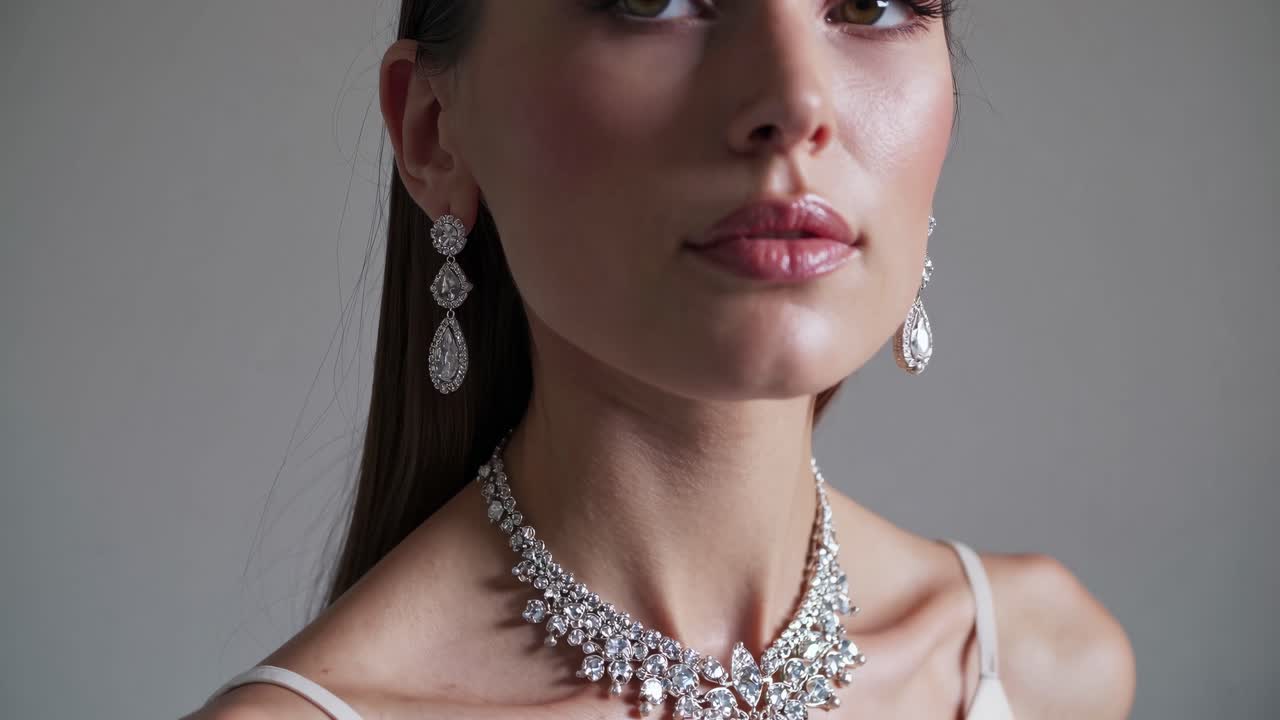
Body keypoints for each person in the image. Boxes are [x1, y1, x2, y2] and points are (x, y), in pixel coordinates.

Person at [189, 1, 1136, 718]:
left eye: (869, 2)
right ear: (434, 131)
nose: (796, 102)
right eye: (653, 0)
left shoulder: (1045, 667)